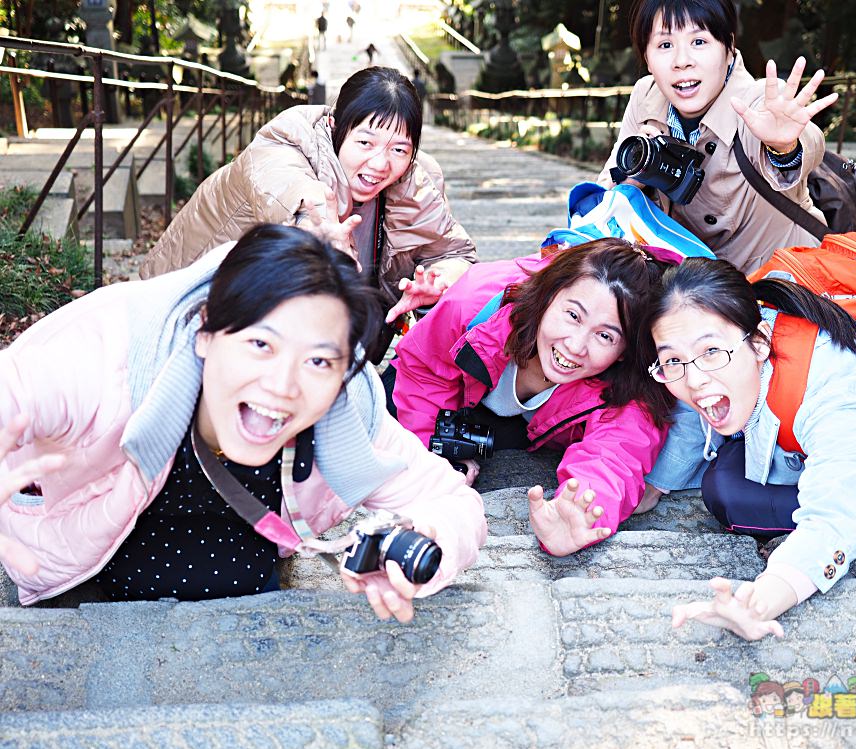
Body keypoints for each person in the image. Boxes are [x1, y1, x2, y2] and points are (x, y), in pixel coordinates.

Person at [0, 224, 487, 621]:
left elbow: (453, 503)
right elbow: (15, 391)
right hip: (83, 584)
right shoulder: (106, 362)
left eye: (318, 362)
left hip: (250, 601)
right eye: (261, 345)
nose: (283, 385)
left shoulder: (346, 415)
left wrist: (422, 540)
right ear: (207, 331)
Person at [645, 258, 856, 640]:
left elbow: (833, 520)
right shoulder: (741, 328)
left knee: (727, 495)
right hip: (841, 433)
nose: (695, 378)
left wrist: (760, 602)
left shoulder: (845, 402)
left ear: (760, 342)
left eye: (711, 353)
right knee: (724, 468)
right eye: (672, 360)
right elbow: (690, 397)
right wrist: (652, 486)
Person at [140, 66, 476, 363]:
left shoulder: (418, 181)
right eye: (365, 143)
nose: (380, 163)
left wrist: (439, 279)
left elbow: (455, 252)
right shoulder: (283, 144)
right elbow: (291, 189)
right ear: (335, 126)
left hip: (305, 342)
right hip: (183, 319)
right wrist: (318, 229)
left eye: (399, 149)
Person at [384, 238, 674, 556]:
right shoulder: (474, 304)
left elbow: (614, 457)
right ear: (549, 296)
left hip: (528, 426)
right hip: (447, 390)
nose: (576, 346)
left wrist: (582, 511)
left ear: (624, 351)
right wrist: (434, 459)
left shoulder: (629, 387)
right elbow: (424, 370)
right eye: (573, 316)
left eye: (605, 336)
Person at [598, 0, 839, 272]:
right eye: (665, 45)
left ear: (728, 49)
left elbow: (808, 144)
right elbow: (606, 192)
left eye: (699, 41)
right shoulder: (647, 95)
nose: (682, 61)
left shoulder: (757, 101)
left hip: (780, 283)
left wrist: (783, 146)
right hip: (693, 287)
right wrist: (634, 175)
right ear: (646, 58)